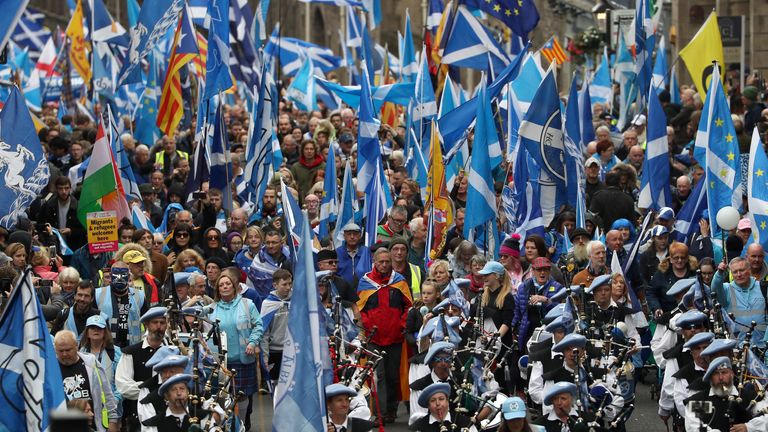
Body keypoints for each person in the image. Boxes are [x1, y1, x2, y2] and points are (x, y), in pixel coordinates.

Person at [356, 247, 413, 424]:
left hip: (395, 338)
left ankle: (391, 410)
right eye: (381, 261)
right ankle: (378, 413)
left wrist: (402, 325)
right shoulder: (365, 282)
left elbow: (408, 307)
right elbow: (359, 310)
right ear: (374, 262)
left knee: (393, 375)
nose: (384, 264)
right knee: (376, 376)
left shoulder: (399, 282)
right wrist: (366, 327)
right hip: (374, 338)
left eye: (387, 261)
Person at [207, 272, 263, 427]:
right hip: (221, 363)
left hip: (243, 359)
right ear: (217, 289)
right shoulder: (211, 309)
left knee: (242, 396)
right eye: (221, 285)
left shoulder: (247, 304)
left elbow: (258, 325)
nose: (224, 287)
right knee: (222, 397)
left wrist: (252, 343)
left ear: (234, 286)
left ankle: (242, 424)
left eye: (228, 284)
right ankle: (227, 426)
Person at [55, 330, 120, 432]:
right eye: (60, 351)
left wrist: (112, 420)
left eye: (68, 350)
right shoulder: (51, 369)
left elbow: (107, 392)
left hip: (93, 425)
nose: (64, 354)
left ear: (76, 346)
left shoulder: (91, 363)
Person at [115, 307, 168, 432]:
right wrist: (150, 391)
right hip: (137, 417)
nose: (159, 326)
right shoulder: (131, 352)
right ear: (146, 325)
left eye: (162, 322)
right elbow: (123, 386)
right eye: (155, 323)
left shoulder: (173, 351)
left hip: (167, 416)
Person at [684, 357, 768, 432]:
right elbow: (694, 427)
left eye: (724, 372)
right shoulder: (702, 401)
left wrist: (749, 427)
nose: (720, 378)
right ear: (710, 378)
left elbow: (766, 418)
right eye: (716, 373)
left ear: (732, 374)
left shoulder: (748, 397)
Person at [712, 257, 767, 346]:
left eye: (741, 270)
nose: (739, 274)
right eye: (735, 272)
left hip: (763, 348)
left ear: (749, 270)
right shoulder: (727, 289)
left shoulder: (763, 287)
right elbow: (715, 289)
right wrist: (719, 273)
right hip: (739, 349)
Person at [511, 257, 561, 350]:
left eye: (545, 269)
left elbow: (561, 310)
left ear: (549, 271)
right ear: (533, 271)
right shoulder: (524, 287)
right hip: (527, 331)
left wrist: (546, 300)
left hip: (548, 332)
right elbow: (517, 312)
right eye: (539, 270)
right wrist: (513, 329)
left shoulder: (557, 287)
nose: (542, 273)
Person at [95, 263, 149, 348]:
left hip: (132, 347)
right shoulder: (97, 294)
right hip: (106, 347)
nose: (119, 278)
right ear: (110, 275)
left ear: (128, 276)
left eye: (123, 274)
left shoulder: (139, 295)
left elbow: (147, 322)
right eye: (116, 274)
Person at [259, 268, 292, 387]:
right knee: (276, 386)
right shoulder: (268, 304)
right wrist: (265, 357)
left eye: (290, 283)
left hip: (292, 350)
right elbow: (264, 332)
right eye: (284, 284)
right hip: (275, 351)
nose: (288, 287)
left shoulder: (297, 301)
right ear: (275, 285)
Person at [409, 382, 473, 431]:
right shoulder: (419, 427)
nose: (437, 403)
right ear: (428, 405)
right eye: (433, 400)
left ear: (447, 401)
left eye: (441, 399)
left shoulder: (464, 422)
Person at [336, 223, 371, 288]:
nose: (352, 237)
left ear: (360, 235)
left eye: (355, 234)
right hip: (343, 292)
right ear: (344, 236)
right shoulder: (337, 253)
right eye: (349, 234)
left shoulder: (366, 252)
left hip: (364, 290)